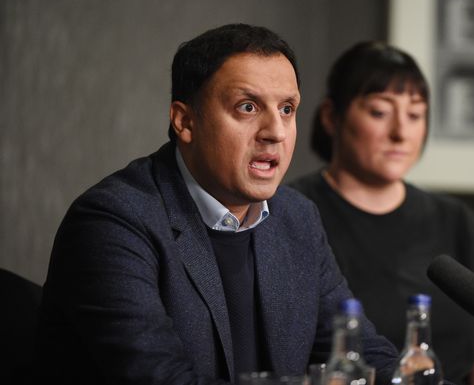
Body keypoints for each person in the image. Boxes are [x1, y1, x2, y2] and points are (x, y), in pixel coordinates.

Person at [33, 24, 399, 385]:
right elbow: (158, 378)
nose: (276, 131)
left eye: (287, 108)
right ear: (185, 121)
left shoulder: (296, 217)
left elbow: (359, 352)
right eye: (248, 107)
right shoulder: (113, 221)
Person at [289, 42, 474, 385]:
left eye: (415, 115)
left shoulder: (456, 221)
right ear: (332, 117)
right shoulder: (293, 214)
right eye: (379, 112)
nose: (400, 133)